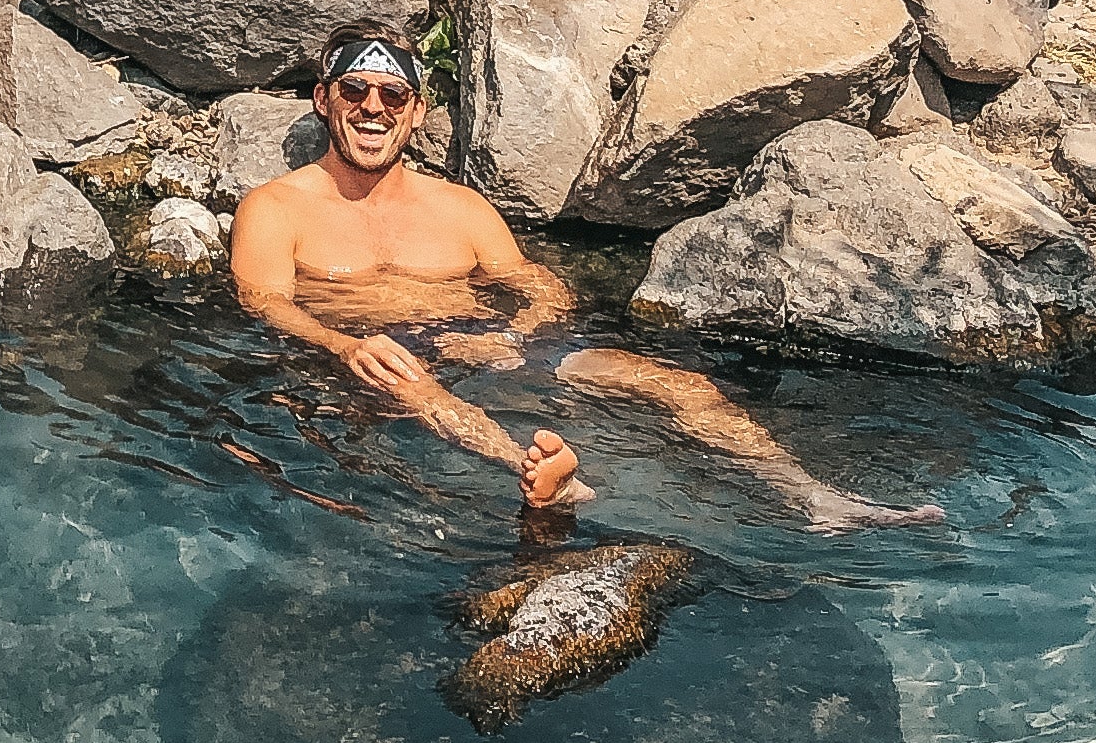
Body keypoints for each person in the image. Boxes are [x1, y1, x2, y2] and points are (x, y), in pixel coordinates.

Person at [227, 30, 943, 532]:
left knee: (675, 382)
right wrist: (344, 344)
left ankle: (815, 498)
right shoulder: (278, 206)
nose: (372, 108)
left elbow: (535, 283)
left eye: (391, 95)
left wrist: (515, 332)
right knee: (407, 381)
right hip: (390, 355)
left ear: (414, 111)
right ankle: (544, 474)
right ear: (325, 99)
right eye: (356, 90)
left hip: (493, 341)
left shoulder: (460, 207)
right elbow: (263, 300)